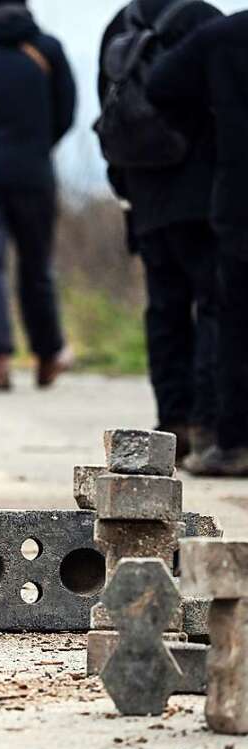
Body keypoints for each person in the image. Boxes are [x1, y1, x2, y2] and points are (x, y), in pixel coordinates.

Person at [97, 0, 223, 463]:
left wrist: (125, 186)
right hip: (201, 191)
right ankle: (208, 423)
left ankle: (172, 425)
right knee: (213, 306)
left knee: (164, 310)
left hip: (145, 193)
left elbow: (108, 111)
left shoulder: (121, 23)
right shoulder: (204, 18)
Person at [0, 0, 77, 391]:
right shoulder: (49, 48)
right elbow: (66, 112)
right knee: (36, 266)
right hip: (35, 171)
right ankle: (47, 356)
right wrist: (37, 144)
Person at [148, 11, 248, 476]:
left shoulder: (223, 35)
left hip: (237, 189)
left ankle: (234, 443)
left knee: (233, 313)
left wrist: (208, 125)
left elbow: (161, 85)